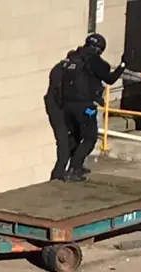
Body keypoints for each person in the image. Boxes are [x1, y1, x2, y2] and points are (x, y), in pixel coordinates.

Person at [59, 33, 128, 181]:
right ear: (99, 49)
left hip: (66, 107)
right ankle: (73, 170)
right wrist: (123, 64)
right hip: (84, 106)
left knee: (77, 136)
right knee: (90, 138)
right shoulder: (95, 61)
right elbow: (110, 79)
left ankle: (76, 165)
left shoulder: (72, 58)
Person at [44, 51, 84, 181]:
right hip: (58, 109)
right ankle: (58, 174)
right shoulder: (64, 71)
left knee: (77, 136)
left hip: (62, 107)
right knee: (63, 143)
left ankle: (73, 166)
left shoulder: (61, 69)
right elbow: (59, 94)